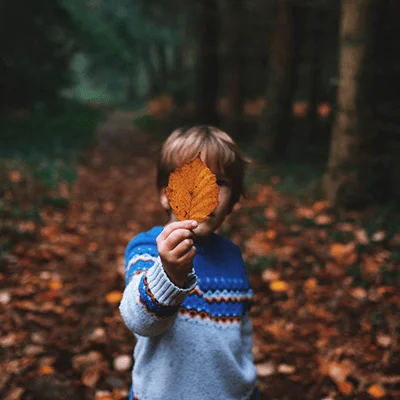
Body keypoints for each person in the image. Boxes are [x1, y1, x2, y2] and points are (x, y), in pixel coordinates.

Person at [119, 126, 259, 400]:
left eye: (220, 182)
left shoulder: (232, 256)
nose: (205, 190)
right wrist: (169, 273)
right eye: (190, 179)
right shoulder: (149, 249)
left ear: (233, 200)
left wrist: (247, 387)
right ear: (165, 193)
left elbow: (242, 336)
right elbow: (140, 321)